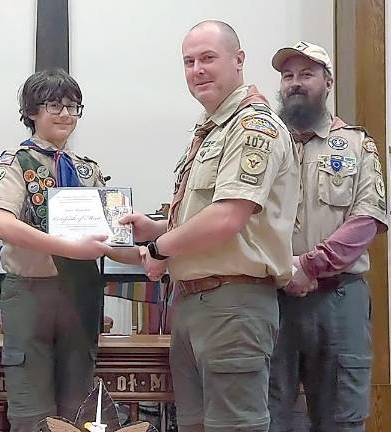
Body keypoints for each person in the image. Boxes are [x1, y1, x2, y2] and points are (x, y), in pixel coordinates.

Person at [121, 21, 300, 432]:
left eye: (208, 58)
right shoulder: (211, 130)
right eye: (189, 61)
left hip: (232, 304)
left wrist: (158, 248)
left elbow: (227, 217)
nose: (197, 69)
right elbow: (206, 212)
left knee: (235, 426)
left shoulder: (253, 127)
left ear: (238, 61)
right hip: (193, 304)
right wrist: (156, 227)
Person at [268, 41, 387, 432]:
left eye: (307, 74)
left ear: (328, 82)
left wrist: (309, 265)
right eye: (288, 76)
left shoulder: (356, 145)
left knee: (340, 420)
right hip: (272, 299)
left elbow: (367, 219)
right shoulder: (264, 146)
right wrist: (286, 270)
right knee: (267, 416)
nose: (295, 84)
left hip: (338, 300)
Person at [0, 68, 111, 432]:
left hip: (80, 292)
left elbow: (109, 234)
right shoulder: (16, 163)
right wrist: (66, 246)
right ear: (32, 112)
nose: (66, 114)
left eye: (73, 106)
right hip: (31, 291)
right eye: (54, 105)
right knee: (31, 409)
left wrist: (152, 252)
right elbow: (1, 223)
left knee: (79, 408)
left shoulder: (87, 170)